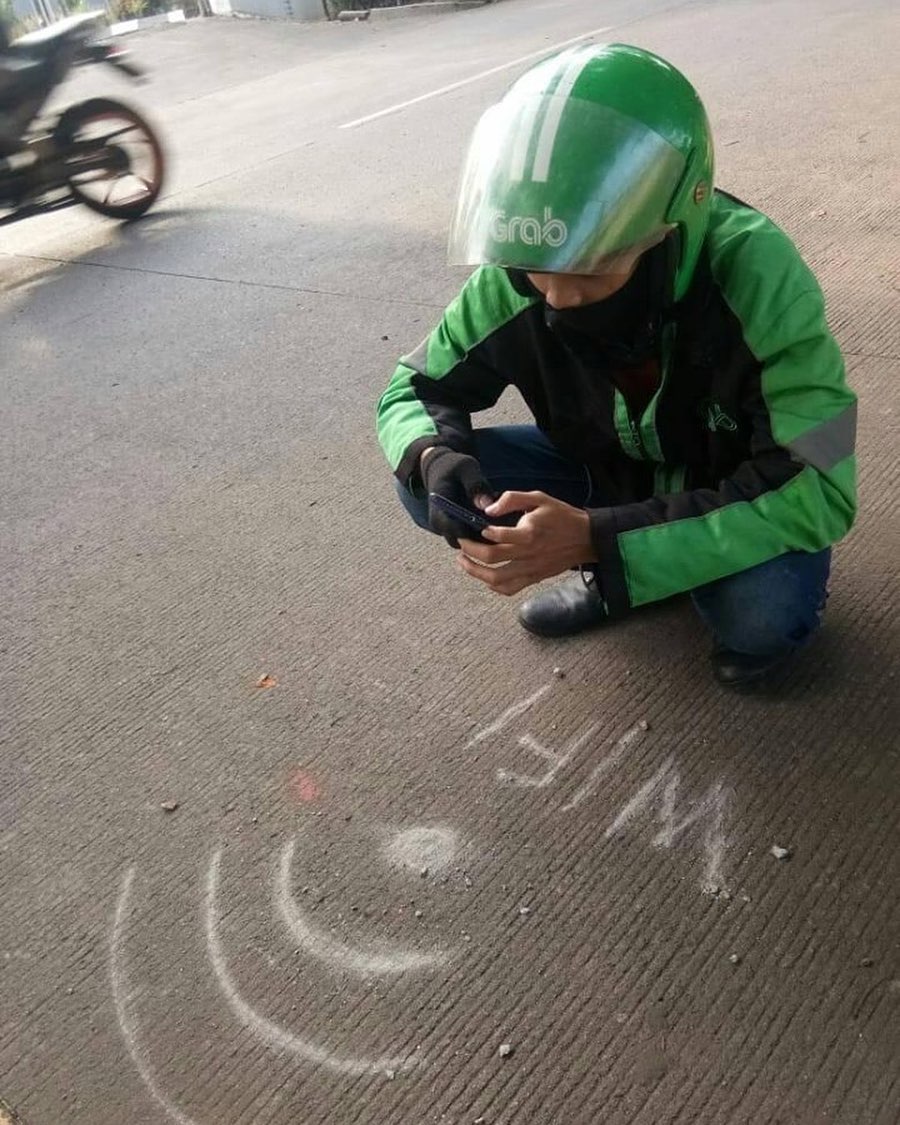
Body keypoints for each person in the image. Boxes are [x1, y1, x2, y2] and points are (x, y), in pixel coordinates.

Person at [376, 43, 857, 687]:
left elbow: (823, 482)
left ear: (673, 227)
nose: (559, 300)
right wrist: (437, 459)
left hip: (730, 485)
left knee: (763, 618)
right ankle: (635, 567)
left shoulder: (762, 277)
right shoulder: (514, 280)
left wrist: (596, 542)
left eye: (595, 268)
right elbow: (412, 387)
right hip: (605, 473)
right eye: (536, 274)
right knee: (420, 485)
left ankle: (632, 569)